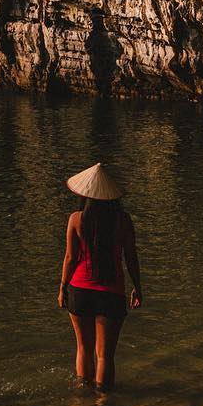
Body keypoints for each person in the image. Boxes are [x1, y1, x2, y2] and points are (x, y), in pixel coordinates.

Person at [58, 161, 143, 390]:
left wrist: (62, 287)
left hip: (79, 290)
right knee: (105, 356)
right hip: (111, 293)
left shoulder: (76, 219)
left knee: (83, 349)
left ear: (86, 194)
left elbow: (70, 258)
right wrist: (138, 287)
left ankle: (82, 403)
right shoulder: (123, 221)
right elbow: (131, 258)